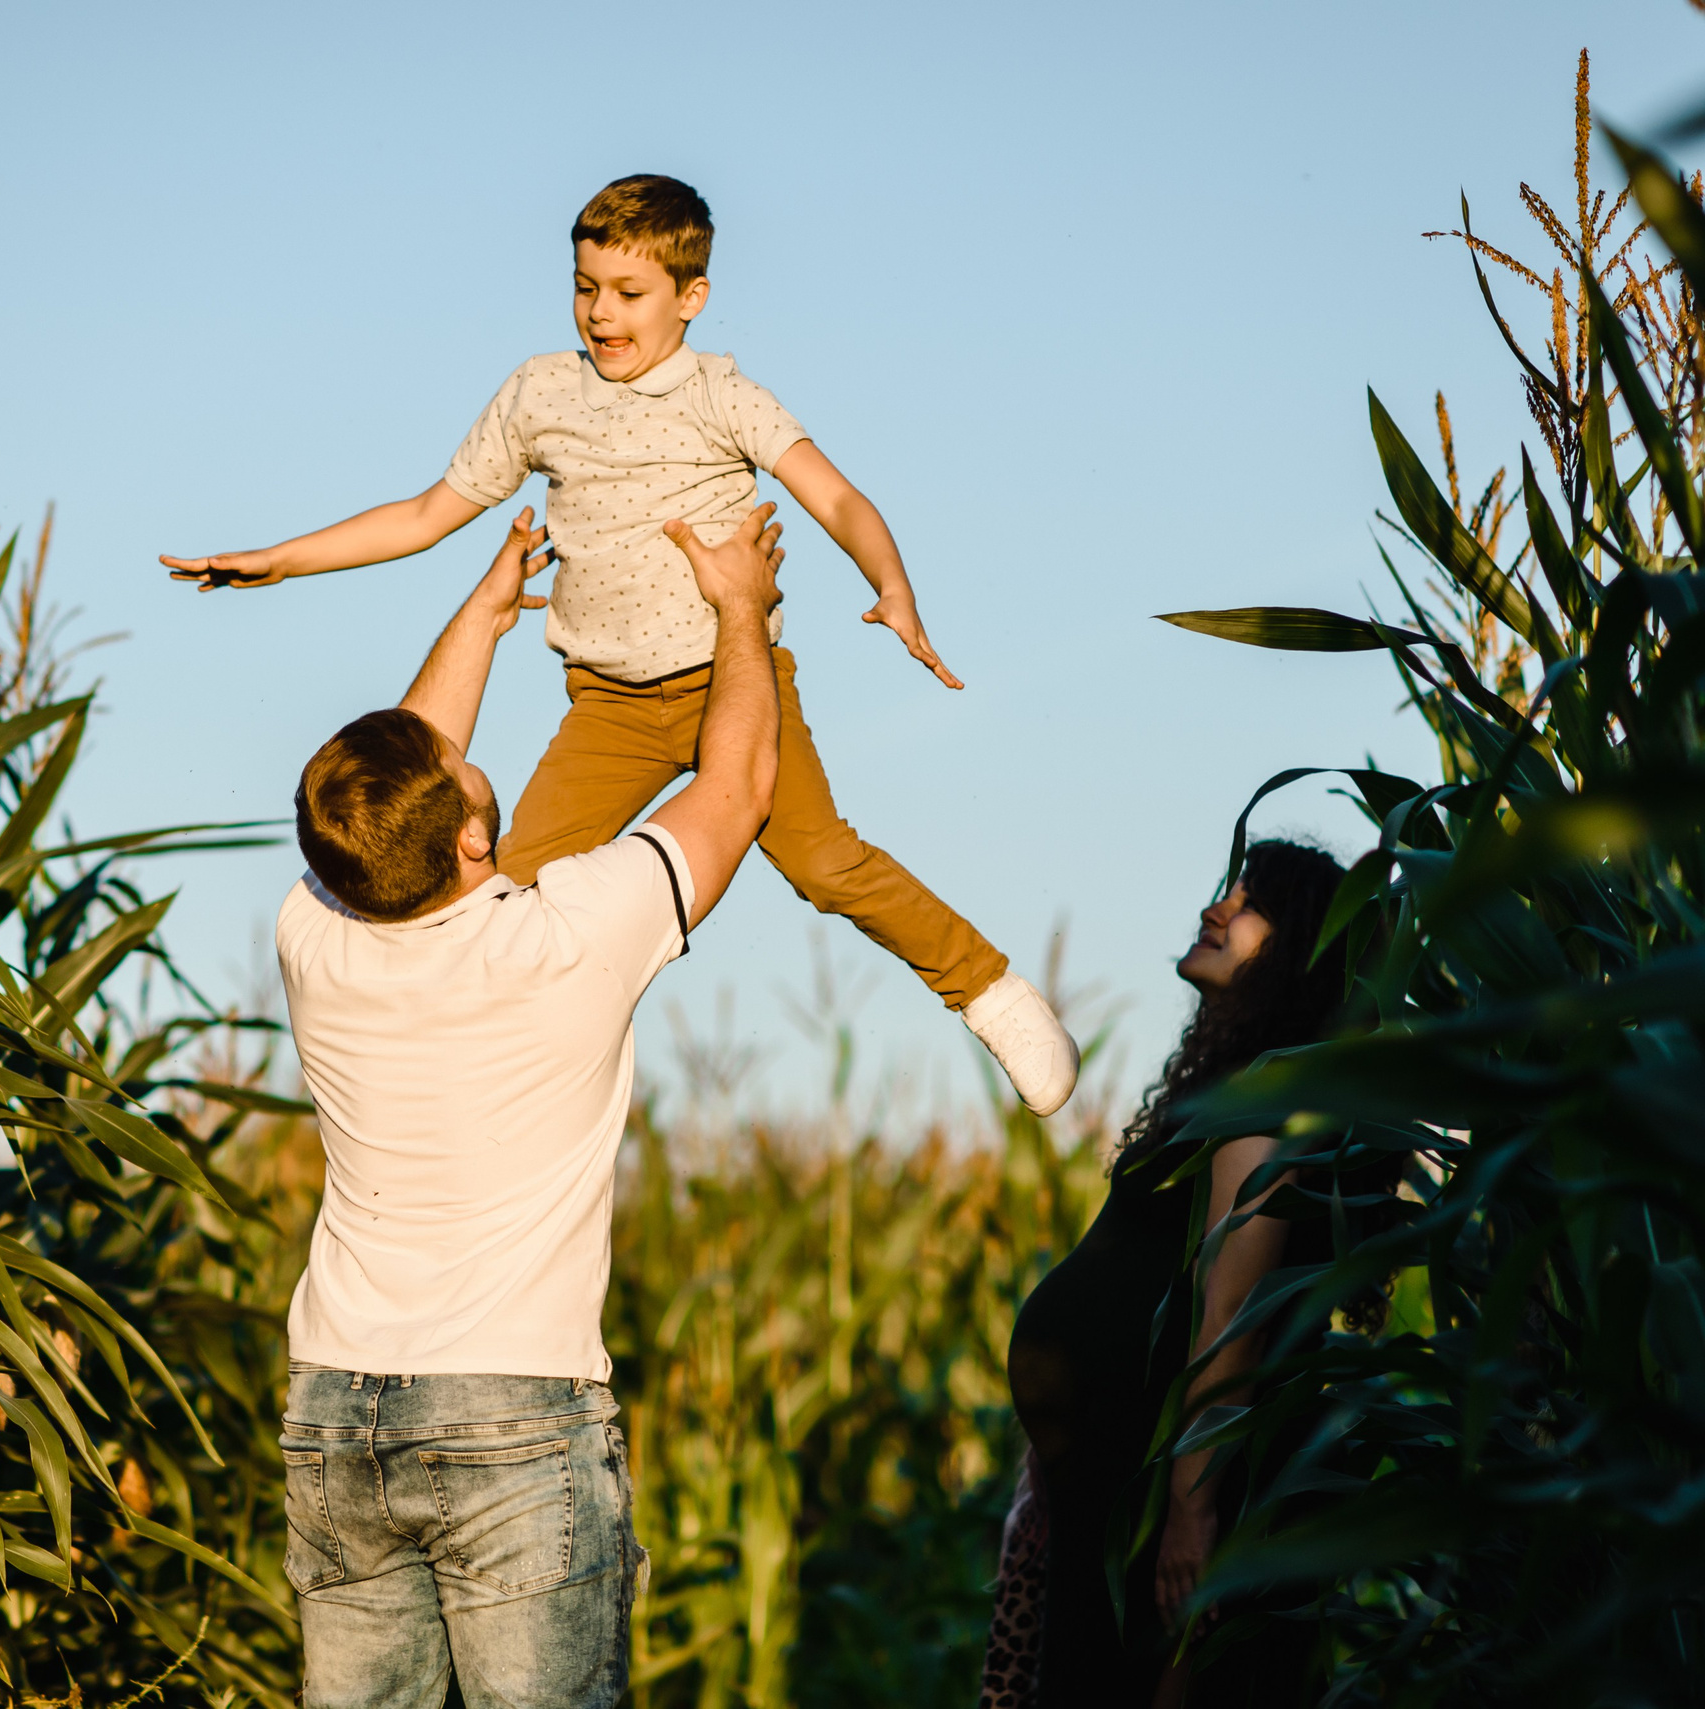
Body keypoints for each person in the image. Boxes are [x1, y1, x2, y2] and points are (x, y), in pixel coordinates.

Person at [165, 172, 1079, 1116]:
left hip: (738, 682)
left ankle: (990, 991)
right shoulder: (540, 393)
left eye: (629, 294)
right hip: (608, 704)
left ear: (692, 298)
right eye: (584, 286)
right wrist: (285, 560)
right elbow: (429, 512)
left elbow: (837, 496)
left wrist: (892, 587)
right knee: (504, 884)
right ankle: (480, 1077)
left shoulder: (724, 394)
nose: (601, 313)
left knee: (822, 863)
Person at [269, 499, 783, 1709]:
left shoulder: (315, 933)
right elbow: (739, 785)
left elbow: (390, 787)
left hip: (336, 1407)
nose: (456, 748)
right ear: (470, 841)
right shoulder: (569, 938)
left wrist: (486, 609)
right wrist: (743, 608)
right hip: (512, 1411)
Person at [995, 840, 1364, 1708]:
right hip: (1117, 1500)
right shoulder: (1232, 1092)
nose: (1217, 908)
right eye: (1225, 889)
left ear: (1301, 950)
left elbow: (1229, 1330)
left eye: (1249, 901)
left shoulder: (1268, 1109)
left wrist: (1190, 1522)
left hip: (1166, 1515)